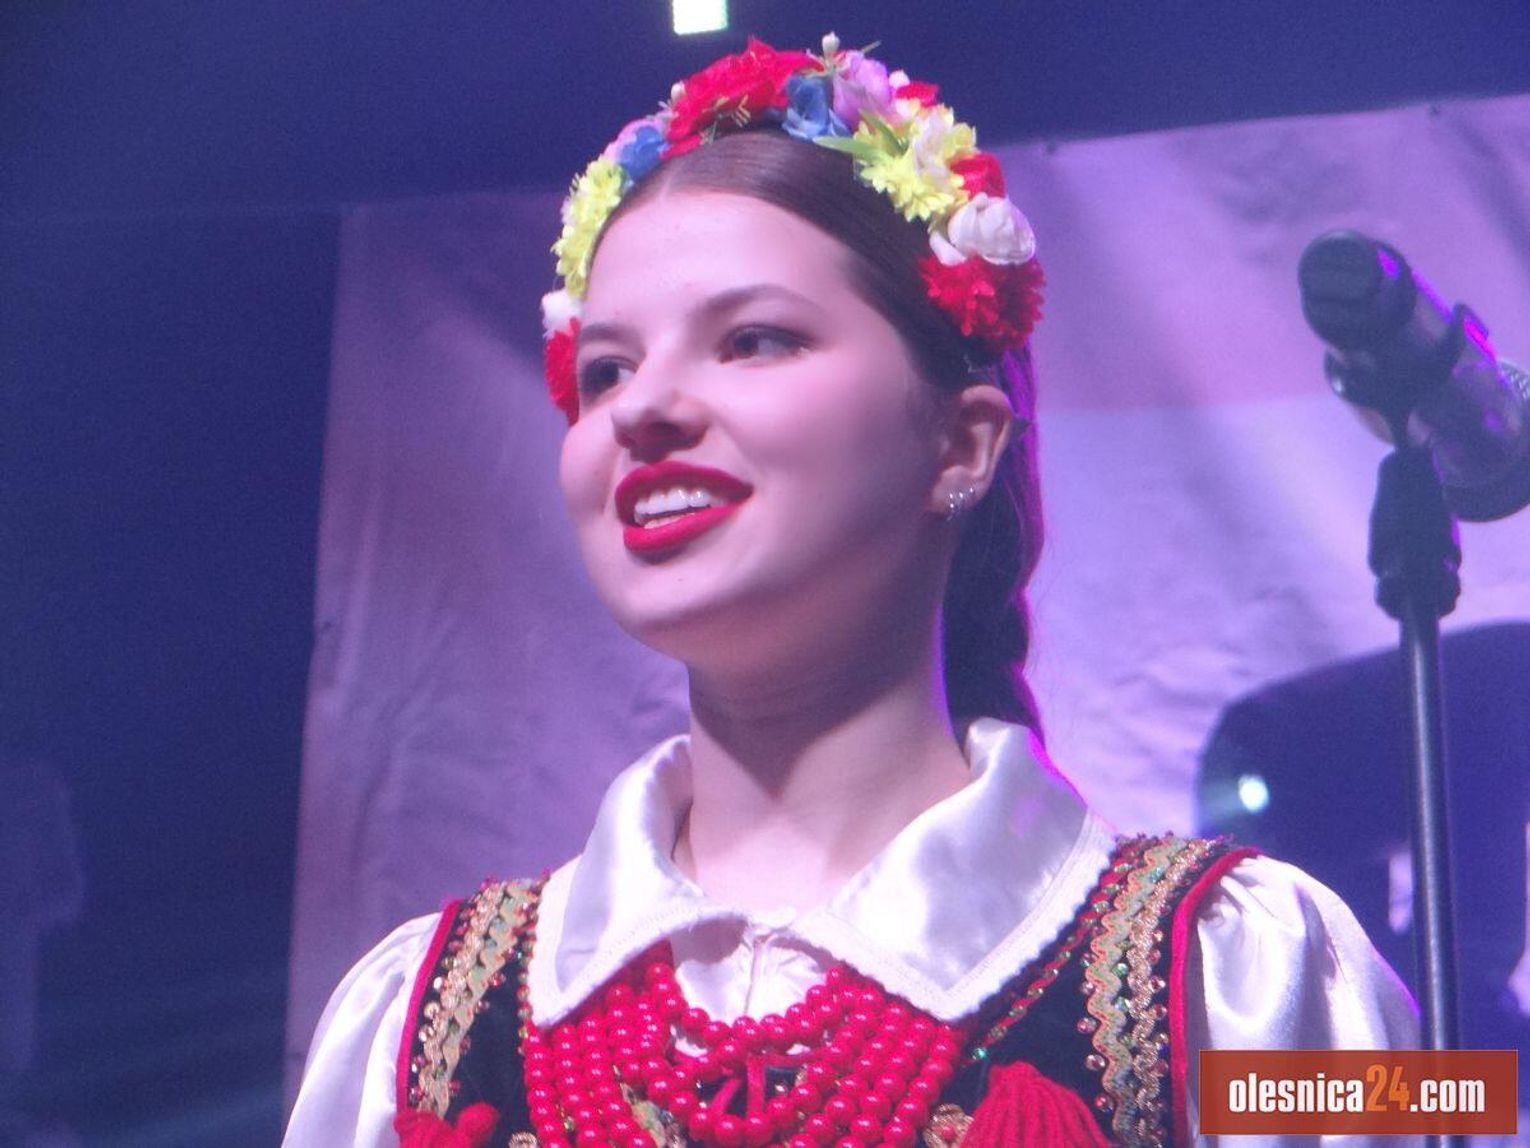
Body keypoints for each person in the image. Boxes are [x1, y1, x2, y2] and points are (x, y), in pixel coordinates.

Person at [282, 35, 1418, 1147]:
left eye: (753, 340)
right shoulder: (420, 1024)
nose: (643, 409)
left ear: (961, 445)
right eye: (607, 369)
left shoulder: (1250, 977)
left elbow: (1458, 1108)